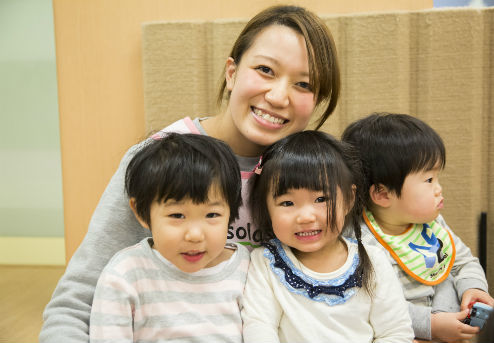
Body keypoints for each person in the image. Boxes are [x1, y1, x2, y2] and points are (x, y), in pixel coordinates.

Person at [40, 5, 341, 343]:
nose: (278, 95)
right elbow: (77, 301)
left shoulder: (319, 176)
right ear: (231, 72)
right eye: (265, 70)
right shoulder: (157, 162)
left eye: (303, 84)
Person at [241, 131, 414, 343]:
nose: (305, 217)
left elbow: (395, 333)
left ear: (349, 199)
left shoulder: (373, 260)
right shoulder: (266, 263)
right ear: (267, 208)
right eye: (287, 203)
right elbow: (259, 327)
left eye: (321, 199)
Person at [341, 113, 494, 342]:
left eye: (437, 177)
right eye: (429, 180)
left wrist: (474, 289)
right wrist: (432, 325)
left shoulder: (431, 225)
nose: (438, 189)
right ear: (382, 194)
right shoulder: (358, 241)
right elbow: (370, 305)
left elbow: (464, 263)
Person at [89, 133, 249, 342]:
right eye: (177, 215)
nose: (194, 235)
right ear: (141, 213)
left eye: (212, 215)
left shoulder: (243, 267)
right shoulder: (125, 274)